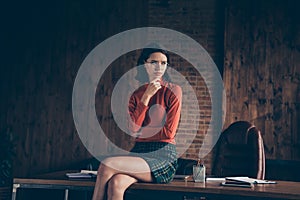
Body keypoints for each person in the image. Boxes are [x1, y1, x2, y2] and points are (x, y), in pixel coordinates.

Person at [92, 44, 182, 200]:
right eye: (154, 62)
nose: (159, 67)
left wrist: (143, 132)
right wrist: (146, 97)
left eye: (163, 63)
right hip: (139, 152)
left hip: (163, 154)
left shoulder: (173, 90)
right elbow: (133, 130)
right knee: (116, 183)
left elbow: (169, 133)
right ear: (144, 65)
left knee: (107, 165)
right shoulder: (136, 94)